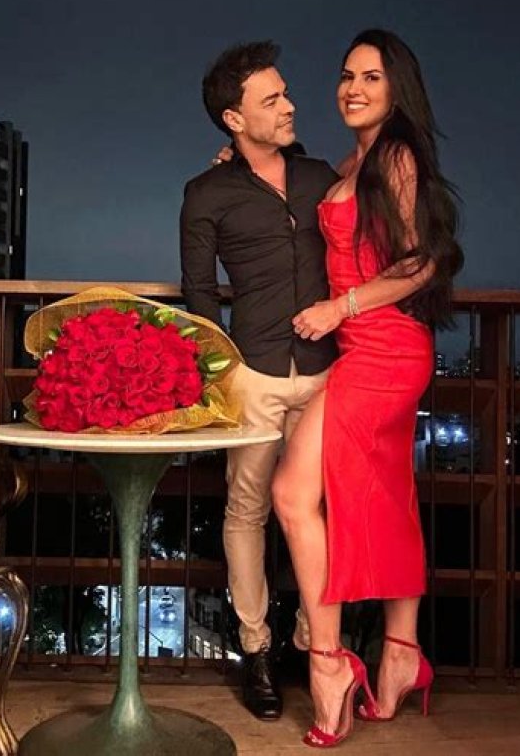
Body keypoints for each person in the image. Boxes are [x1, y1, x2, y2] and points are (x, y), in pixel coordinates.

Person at [271, 29, 464, 747]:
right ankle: (401, 653)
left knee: (292, 493)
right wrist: (243, 155)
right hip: (366, 348)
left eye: (371, 77)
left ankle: (329, 664)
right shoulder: (355, 159)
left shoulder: (399, 158)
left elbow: (425, 262)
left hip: (384, 348)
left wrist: (340, 307)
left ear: (397, 88)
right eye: (347, 75)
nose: (352, 88)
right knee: (385, 497)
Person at [179, 41, 338, 720]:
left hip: (327, 371)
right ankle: (257, 648)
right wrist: (223, 375)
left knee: (320, 508)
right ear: (234, 119)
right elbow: (197, 293)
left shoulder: (321, 177)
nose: (289, 105)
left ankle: (311, 636)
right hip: (253, 372)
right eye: (271, 99)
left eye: (285, 92)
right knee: (246, 511)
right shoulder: (206, 193)